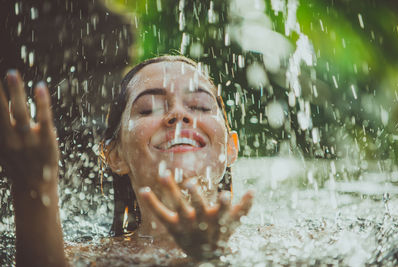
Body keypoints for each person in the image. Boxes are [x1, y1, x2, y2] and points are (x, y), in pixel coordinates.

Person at [0, 55, 253, 266]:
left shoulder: (283, 245)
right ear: (115, 155)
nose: (179, 114)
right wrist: (32, 189)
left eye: (199, 105)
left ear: (231, 148)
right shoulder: (82, 258)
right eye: (148, 108)